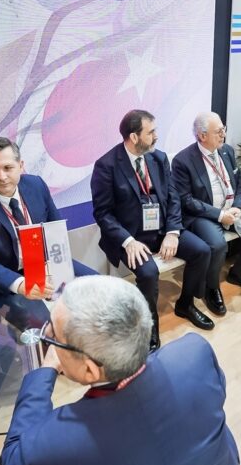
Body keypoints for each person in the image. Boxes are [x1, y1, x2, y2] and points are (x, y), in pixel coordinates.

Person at [0, 276, 241, 465]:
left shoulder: (61, 441)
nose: (48, 337)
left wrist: (45, 370)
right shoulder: (194, 353)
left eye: (53, 336)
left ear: (90, 370)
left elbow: (14, 459)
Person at [91, 110, 212, 347]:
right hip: (131, 237)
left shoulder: (158, 158)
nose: (156, 136)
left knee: (202, 251)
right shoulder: (106, 165)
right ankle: (149, 325)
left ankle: (186, 304)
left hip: (162, 230)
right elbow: (103, 213)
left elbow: (173, 197)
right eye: (151, 132)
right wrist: (128, 241)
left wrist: (173, 232)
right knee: (148, 274)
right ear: (134, 137)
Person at [0, 136, 97, 298]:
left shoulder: (36, 185)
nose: (2, 177)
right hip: (3, 281)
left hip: (44, 265)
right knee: (36, 313)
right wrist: (20, 284)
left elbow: (55, 232)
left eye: (8, 168)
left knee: (102, 286)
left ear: (21, 166)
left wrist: (57, 271)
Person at [172, 113, 241, 314]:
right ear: (202, 136)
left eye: (223, 129)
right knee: (218, 245)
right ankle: (211, 287)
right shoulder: (183, 160)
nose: (223, 134)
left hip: (233, 208)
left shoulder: (227, 151)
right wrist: (219, 215)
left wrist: (238, 206)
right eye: (218, 131)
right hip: (204, 214)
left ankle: (238, 274)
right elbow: (186, 200)